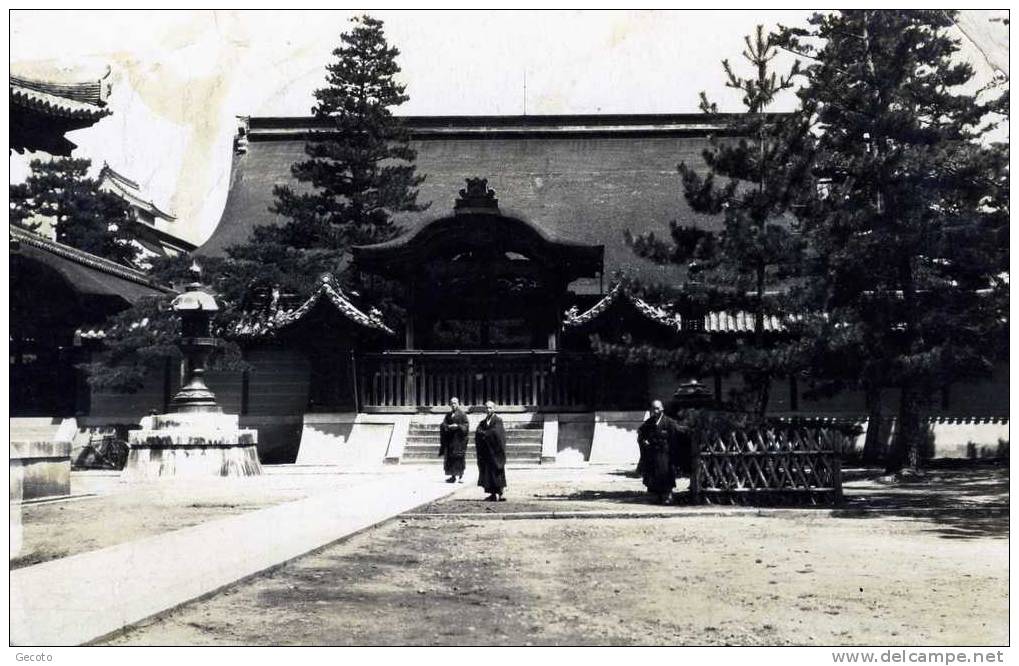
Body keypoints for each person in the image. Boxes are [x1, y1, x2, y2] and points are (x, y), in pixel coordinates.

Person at [637, 399, 683, 504]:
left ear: (662, 408)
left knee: (666, 474)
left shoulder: (668, 422)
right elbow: (641, 433)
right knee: (654, 475)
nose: (656, 411)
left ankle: (668, 495)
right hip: (653, 453)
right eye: (653, 409)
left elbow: (676, 434)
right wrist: (644, 441)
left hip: (665, 454)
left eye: (657, 408)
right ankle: (657, 496)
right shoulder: (649, 423)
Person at [475, 400, 507, 501]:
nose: (488, 410)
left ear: (494, 408)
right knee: (488, 473)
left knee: (497, 471)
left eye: (490, 408)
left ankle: (500, 493)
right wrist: (484, 433)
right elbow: (478, 431)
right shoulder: (484, 422)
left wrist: (485, 434)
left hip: (496, 451)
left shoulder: (498, 420)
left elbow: (496, 433)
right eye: (487, 408)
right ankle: (492, 494)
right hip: (487, 451)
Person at [438, 397, 469, 483]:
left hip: (459, 440)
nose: (453, 405)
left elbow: (466, 426)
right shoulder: (448, 415)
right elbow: (443, 424)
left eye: (455, 403)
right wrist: (447, 427)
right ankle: (452, 476)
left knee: (459, 458)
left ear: (458, 403)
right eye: (451, 403)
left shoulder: (462, 414)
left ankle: (461, 476)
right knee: (450, 458)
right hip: (450, 440)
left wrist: (458, 426)